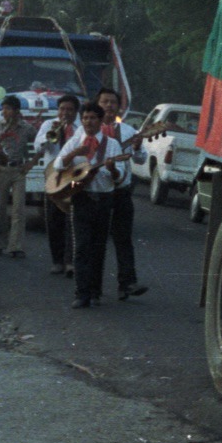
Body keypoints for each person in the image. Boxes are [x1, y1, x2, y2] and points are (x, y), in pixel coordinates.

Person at [56, 102, 122, 309]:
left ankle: (95, 291)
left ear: (101, 121)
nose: (88, 122)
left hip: (103, 198)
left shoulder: (111, 145)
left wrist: (111, 170)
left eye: (93, 118)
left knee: (98, 246)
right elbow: (58, 165)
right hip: (81, 197)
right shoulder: (76, 141)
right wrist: (75, 153)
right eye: (85, 118)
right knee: (81, 246)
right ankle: (81, 293)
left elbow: (120, 176)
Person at [96, 87, 150, 301]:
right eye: (105, 102)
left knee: (123, 238)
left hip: (121, 191)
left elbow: (140, 160)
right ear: (98, 105)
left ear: (119, 107)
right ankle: (94, 287)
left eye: (113, 103)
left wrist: (137, 147)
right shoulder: (91, 130)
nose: (109, 106)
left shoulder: (128, 132)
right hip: (99, 191)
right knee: (98, 240)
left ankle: (127, 284)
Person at [33, 94, 79, 276]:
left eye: (69, 110)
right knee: (53, 219)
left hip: (72, 177)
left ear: (76, 112)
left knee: (71, 220)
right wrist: (50, 135)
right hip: (53, 177)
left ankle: (69, 261)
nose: (65, 113)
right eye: (62, 109)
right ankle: (57, 260)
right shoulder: (48, 125)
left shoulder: (80, 128)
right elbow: (38, 148)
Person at [0, 95, 36, 261]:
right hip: (2, 170)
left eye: (8, 109)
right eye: (4, 108)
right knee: (0, 208)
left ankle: (15, 246)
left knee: (18, 209)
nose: (5, 112)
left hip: (18, 170)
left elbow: (40, 144)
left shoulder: (26, 128)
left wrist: (31, 162)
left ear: (17, 111)